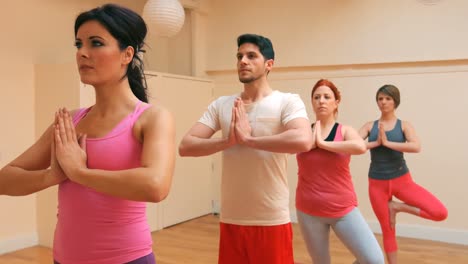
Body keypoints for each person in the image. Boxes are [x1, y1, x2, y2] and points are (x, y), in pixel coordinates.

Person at [0, 4, 175, 264]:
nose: (82, 53)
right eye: (78, 44)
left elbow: (155, 186)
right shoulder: (70, 121)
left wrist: (80, 173)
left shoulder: (152, 118)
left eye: (95, 43)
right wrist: (52, 176)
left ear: (127, 54)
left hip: (126, 259)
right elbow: (5, 179)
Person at [179, 33, 312, 264]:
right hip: (231, 218)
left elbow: (303, 139)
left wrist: (250, 141)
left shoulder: (287, 101)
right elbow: (186, 145)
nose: (243, 61)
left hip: (270, 219)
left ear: (269, 64)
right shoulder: (222, 104)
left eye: (251, 56)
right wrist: (227, 141)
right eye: (239, 56)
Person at [295, 79, 384, 264]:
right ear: (312, 102)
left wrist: (323, 143)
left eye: (327, 97)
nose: (321, 101)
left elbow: (360, 146)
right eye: (317, 97)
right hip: (308, 210)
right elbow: (287, 148)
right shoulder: (304, 132)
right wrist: (312, 141)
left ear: (336, 102)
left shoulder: (344, 131)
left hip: (343, 209)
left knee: (374, 260)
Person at [358, 84, 448, 264]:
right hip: (377, 184)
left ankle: (396, 207)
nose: (383, 102)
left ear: (395, 101)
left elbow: (416, 146)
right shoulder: (369, 126)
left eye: (387, 98)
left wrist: (388, 143)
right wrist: (375, 143)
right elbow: (353, 146)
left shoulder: (404, 125)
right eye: (380, 98)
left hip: (402, 181)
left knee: (440, 212)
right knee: (388, 229)